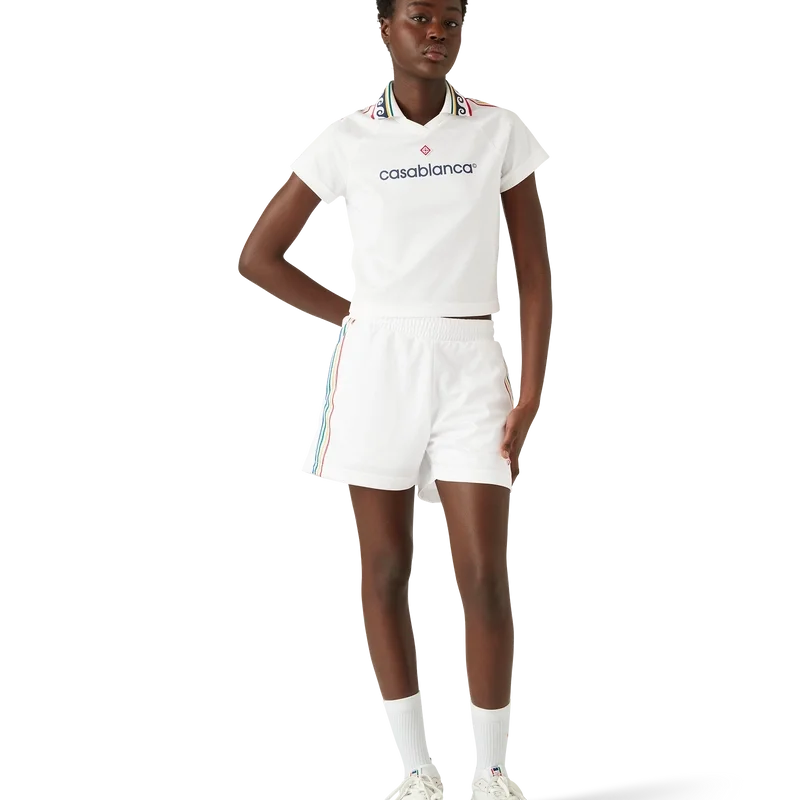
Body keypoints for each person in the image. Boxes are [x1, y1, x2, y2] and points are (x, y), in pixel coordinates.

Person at [237, 1, 553, 796]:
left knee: (483, 572)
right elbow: (259, 257)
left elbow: (533, 272)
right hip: (380, 364)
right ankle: (415, 769)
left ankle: (492, 772)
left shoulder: (500, 130)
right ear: (384, 29)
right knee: (382, 567)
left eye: (450, 20)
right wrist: (356, 314)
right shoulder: (346, 136)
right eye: (420, 18)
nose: (436, 33)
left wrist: (531, 386)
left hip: (472, 360)